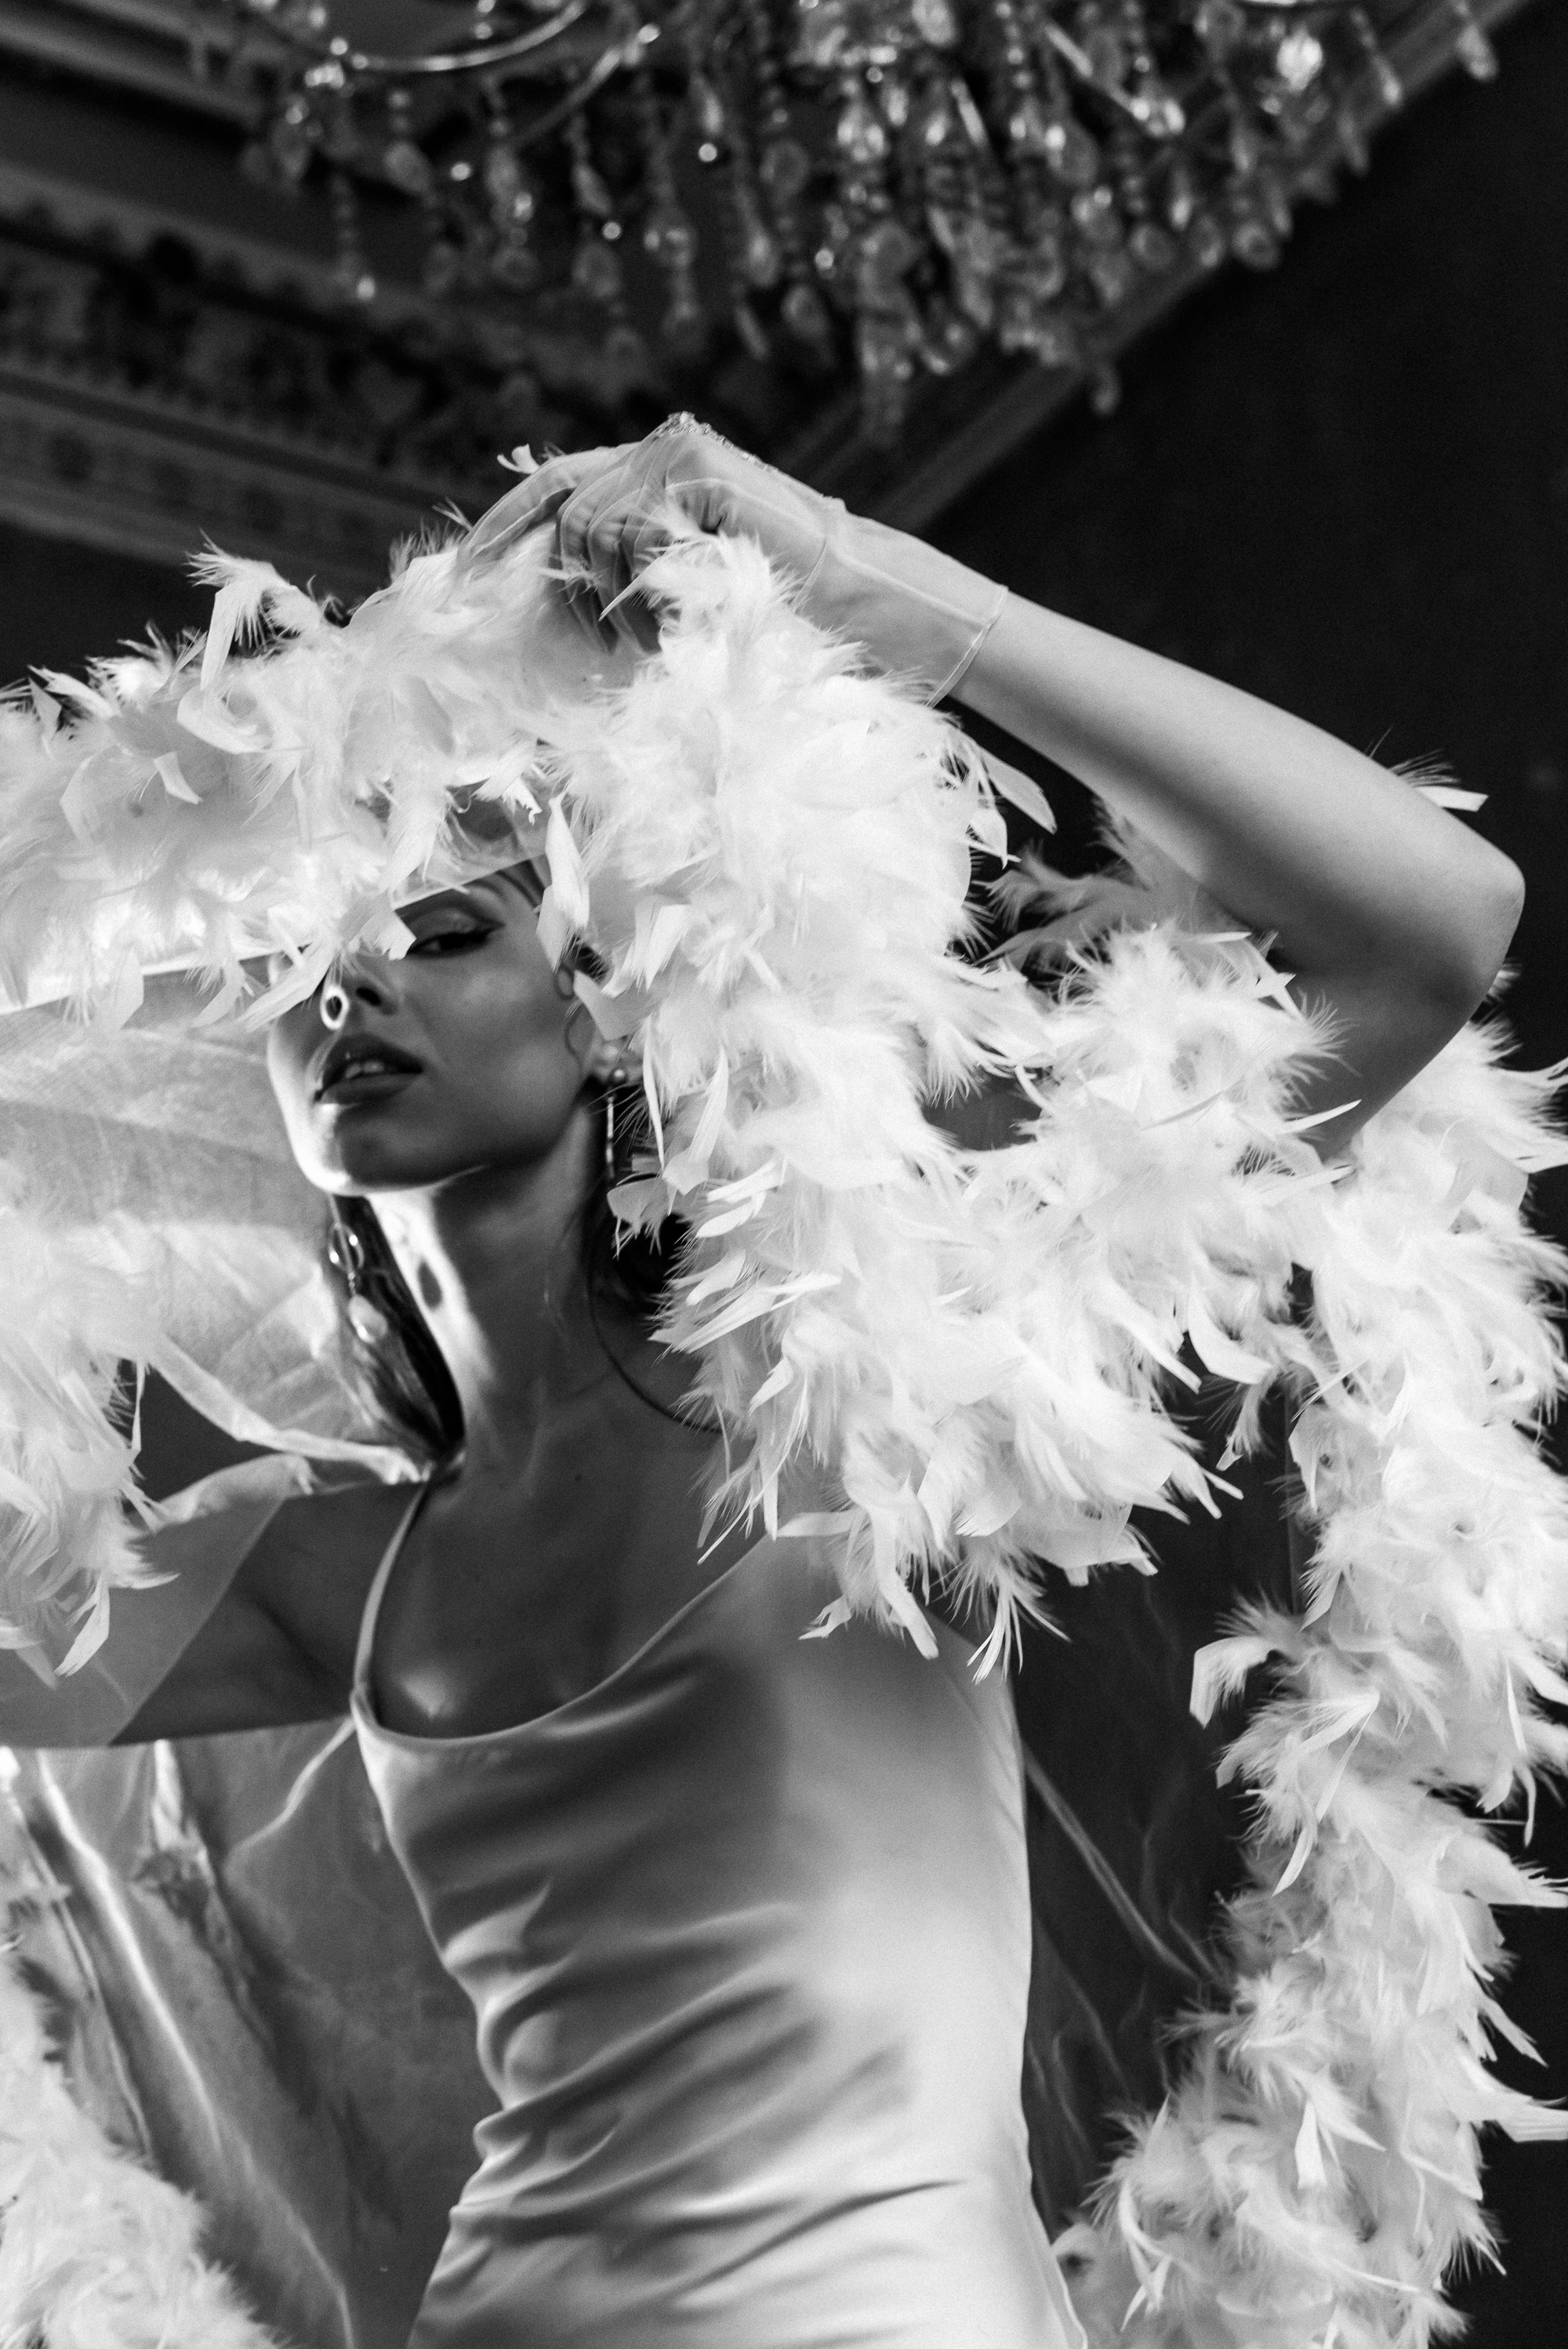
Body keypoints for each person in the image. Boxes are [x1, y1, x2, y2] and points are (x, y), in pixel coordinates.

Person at [2, 424, 1526, 2348]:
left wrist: (848, 566)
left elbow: (1433, 926)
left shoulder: (868, 1362)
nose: (351, 987)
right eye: (306, 966)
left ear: (608, 1002)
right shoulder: (330, 1571)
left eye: (445, 932)